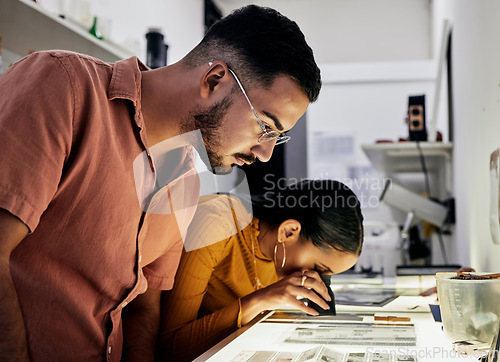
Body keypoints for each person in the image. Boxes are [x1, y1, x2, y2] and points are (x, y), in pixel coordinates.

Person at [0, 5, 321, 362]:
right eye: (265, 127)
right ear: (213, 80)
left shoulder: (186, 178)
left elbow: (143, 305)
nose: (264, 154)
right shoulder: (63, 86)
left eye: (278, 138)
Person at [157, 179, 364, 361]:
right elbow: (169, 351)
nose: (315, 279)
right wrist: (259, 300)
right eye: (318, 268)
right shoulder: (217, 222)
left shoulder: (281, 261)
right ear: (288, 232)